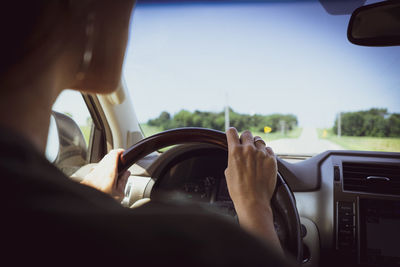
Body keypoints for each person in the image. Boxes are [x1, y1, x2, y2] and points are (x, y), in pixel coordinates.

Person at [1, 1, 295, 265]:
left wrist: (87, 198)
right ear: (87, 11)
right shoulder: (192, 244)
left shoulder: (29, 223)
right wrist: (255, 204)